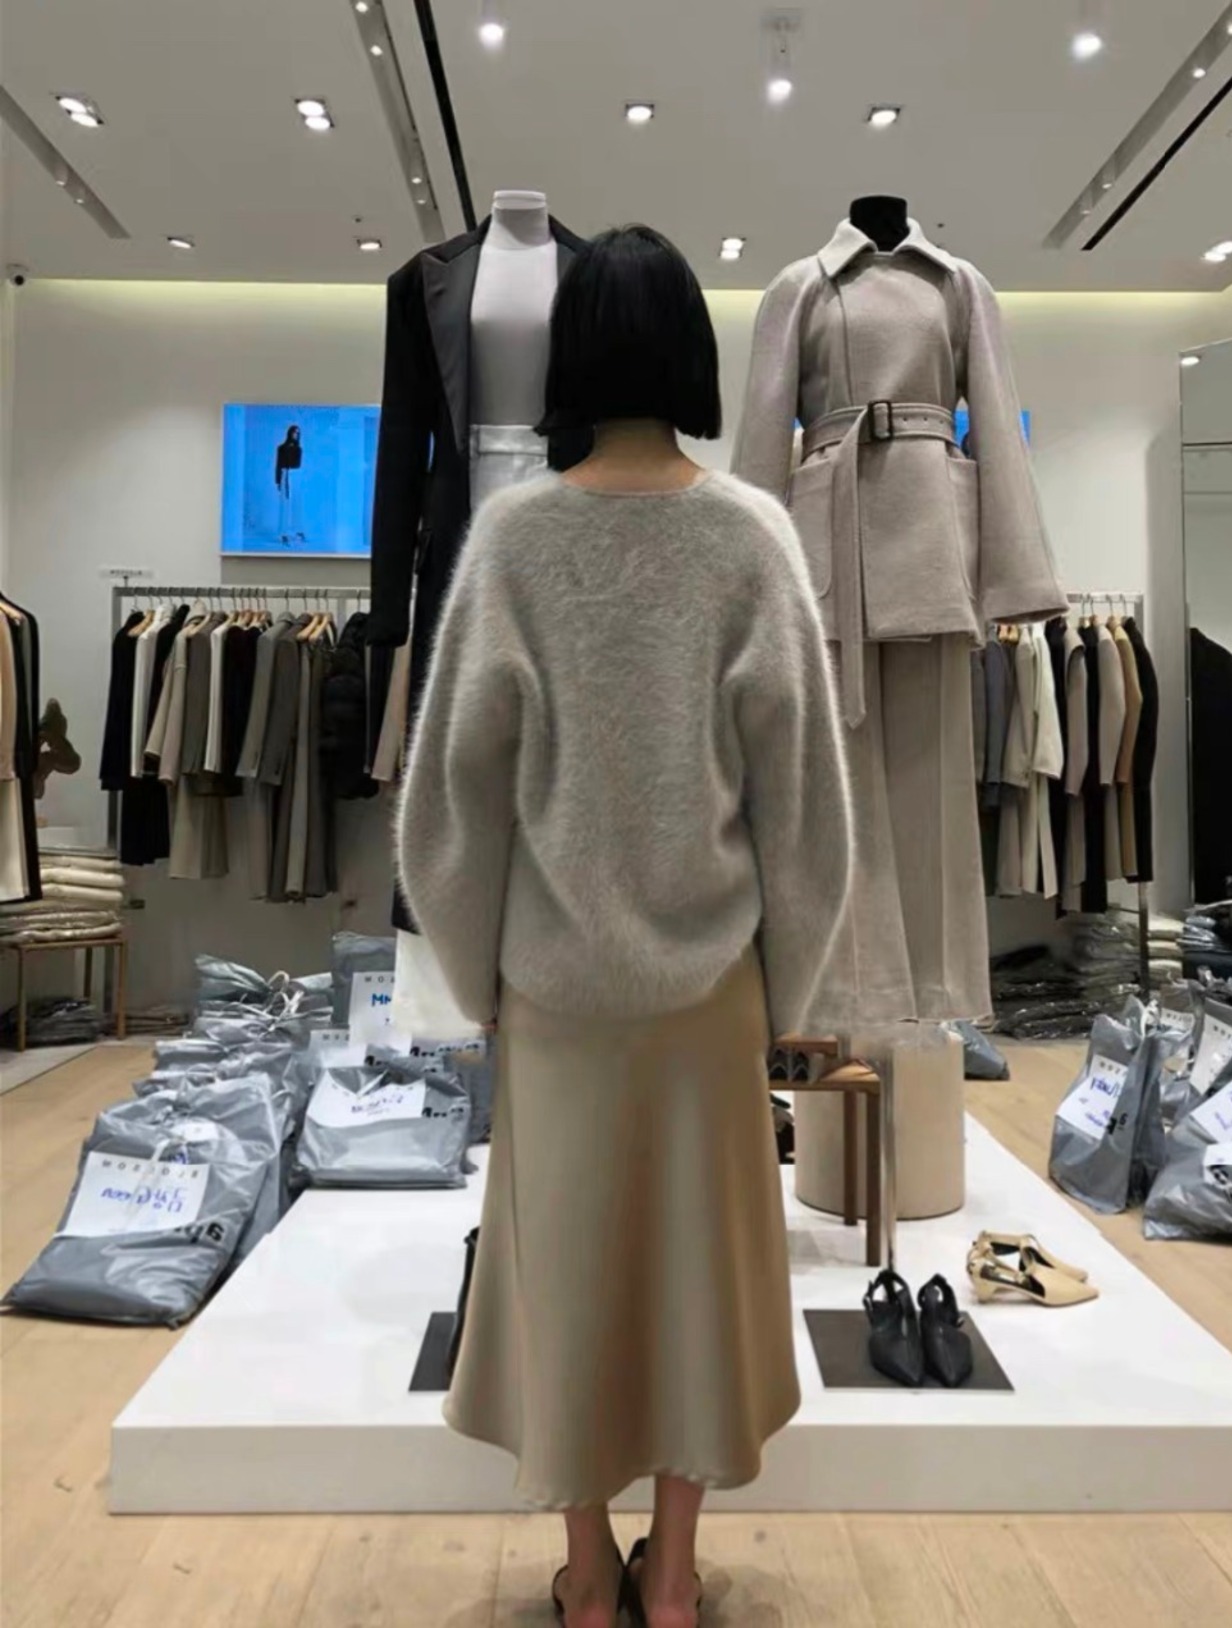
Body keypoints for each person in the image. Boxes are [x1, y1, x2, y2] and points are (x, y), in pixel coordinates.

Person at [396, 225, 852, 1628]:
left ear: (570, 358)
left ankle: (588, 1573)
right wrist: (789, 992)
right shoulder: (752, 536)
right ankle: (677, 1575)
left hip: (558, 997)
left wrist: (475, 978)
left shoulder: (515, 538)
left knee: (571, 1278)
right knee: (699, 1283)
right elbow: (805, 810)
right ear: (695, 358)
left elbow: (451, 803)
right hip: (709, 995)